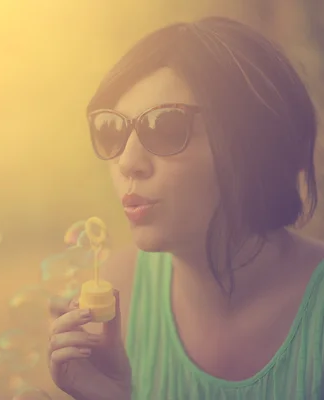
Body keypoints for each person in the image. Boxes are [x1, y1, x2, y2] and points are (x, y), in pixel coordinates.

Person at [47, 16, 324, 400]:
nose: (128, 162)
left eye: (164, 126)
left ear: (255, 141)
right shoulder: (120, 294)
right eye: (112, 128)